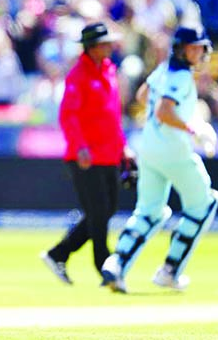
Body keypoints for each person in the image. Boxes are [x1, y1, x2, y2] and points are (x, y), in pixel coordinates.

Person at [101, 26, 218, 293]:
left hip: (149, 148)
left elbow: (143, 96)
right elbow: (165, 111)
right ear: (186, 49)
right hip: (173, 150)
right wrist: (193, 128)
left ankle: (117, 263)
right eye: (198, 47)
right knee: (204, 203)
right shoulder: (180, 77)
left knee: (150, 211)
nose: (201, 52)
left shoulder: (163, 71)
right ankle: (170, 269)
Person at [41, 22, 132, 284]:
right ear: (92, 47)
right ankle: (104, 265)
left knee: (107, 209)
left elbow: (113, 115)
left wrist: (124, 145)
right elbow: (68, 115)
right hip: (85, 156)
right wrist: (80, 146)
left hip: (110, 153)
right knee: (99, 211)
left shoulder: (109, 70)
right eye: (104, 43)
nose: (109, 47)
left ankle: (59, 253)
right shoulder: (78, 75)